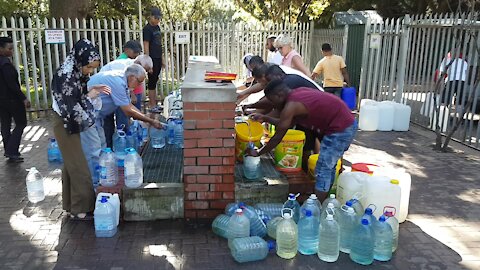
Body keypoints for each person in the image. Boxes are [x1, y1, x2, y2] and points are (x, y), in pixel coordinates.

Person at [246, 80, 357, 202]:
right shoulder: (297, 94)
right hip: (343, 124)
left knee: (323, 168)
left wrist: (258, 152)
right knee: (328, 167)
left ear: (279, 95)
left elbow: (279, 135)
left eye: (272, 100)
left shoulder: (292, 105)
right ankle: (322, 200)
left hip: (341, 128)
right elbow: (286, 123)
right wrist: (265, 118)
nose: (274, 105)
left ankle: (316, 206)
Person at [51, 39, 111, 220]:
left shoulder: (75, 72)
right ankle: (83, 208)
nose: (90, 71)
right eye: (89, 67)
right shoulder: (65, 76)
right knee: (78, 165)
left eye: (93, 68)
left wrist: (91, 90)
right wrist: (90, 97)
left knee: (72, 164)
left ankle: (71, 206)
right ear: (79, 60)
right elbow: (72, 107)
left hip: (70, 120)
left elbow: (78, 96)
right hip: (65, 121)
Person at [80, 64, 162, 181]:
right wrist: (150, 121)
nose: (139, 85)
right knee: (94, 150)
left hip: (95, 117)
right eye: (139, 82)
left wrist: (147, 119)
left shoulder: (123, 82)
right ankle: (94, 183)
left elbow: (130, 107)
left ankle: (102, 180)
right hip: (85, 116)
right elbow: (128, 110)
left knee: (102, 148)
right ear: (132, 77)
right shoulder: (117, 82)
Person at [100, 55, 153, 147]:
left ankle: (120, 143)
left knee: (123, 115)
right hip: (103, 93)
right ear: (139, 65)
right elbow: (128, 109)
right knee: (116, 119)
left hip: (110, 89)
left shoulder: (132, 70)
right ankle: (113, 146)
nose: (145, 72)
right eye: (145, 69)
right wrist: (148, 120)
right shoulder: (123, 69)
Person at [0, 37, 30, 163]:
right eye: (9, 49)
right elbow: (12, 84)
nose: (12, 51)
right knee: (21, 123)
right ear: (1, 49)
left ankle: (9, 151)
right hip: (12, 99)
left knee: (5, 124)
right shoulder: (5, 64)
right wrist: (23, 98)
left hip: (1, 99)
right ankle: (12, 151)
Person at [143, 7, 165, 113]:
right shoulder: (147, 29)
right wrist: (148, 62)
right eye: (156, 18)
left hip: (158, 57)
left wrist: (162, 58)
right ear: (151, 17)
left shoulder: (158, 28)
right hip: (151, 58)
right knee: (151, 82)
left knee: (155, 80)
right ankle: (152, 106)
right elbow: (146, 45)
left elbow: (160, 45)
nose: (158, 20)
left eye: (159, 18)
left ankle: (155, 104)